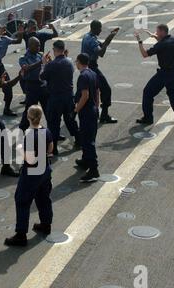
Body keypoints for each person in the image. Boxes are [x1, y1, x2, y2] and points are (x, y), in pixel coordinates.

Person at [5, 105, 54, 246]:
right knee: (44, 198)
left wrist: (20, 149)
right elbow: (51, 149)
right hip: (45, 170)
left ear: (29, 117)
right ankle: (46, 224)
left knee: (22, 201)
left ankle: (21, 235)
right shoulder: (45, 130)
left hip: (31, 173)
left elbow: (29, 159)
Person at [134, 24, 174, 125]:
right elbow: (164, 43)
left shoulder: (161, 45)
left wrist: (139, 41)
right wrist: (154, 36)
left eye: (157, 32)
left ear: (162, 32)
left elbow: (144, 54)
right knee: (172, 93)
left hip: (164, 74)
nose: (156, 33)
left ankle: (148, 118)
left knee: (147, 92)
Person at [40, 40, 80, 156]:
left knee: (53, 123)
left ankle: (53, 148)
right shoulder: (69, 62)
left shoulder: (51, 65)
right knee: (70, 120)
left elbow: (42, 77)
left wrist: (44, 64)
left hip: (55, 98)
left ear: (54, 50)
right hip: (68, 97)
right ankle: (78, 139)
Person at [81, 20, 119, 124]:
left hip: (86, 66)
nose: (101, 30)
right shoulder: (92, 40)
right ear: (95, 28)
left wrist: (110, 37)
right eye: (100, 28)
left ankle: (77, 111)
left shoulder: (88, 36)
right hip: (91, 67)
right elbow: (101, 52)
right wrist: (109, 38)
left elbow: (102, 45)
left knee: (86, 91)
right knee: (106, 89)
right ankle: (104, 115)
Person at [74, 53, 101, 183]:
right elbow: (97, 92)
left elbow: (85, 95)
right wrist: (97, 106)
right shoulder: (92, 73)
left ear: (80, 62)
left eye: (76, 61)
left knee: (87, 140)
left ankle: (94, 169)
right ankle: (85, 160)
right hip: (93, 109)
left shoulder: (83, 76)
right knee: (88, 137)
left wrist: (76, 109)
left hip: (86, 112)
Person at [18, 37, 48, 131]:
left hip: (42, 85)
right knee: (30, 109)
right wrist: (41, 62)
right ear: (30, 45)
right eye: (37, 45)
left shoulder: (39, 55)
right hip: (31, 86)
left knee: (48, 109)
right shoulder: (23, 58)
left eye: (39, 45)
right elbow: (26, 68)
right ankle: (23, 127)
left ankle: (53, 130)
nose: (39, 47)